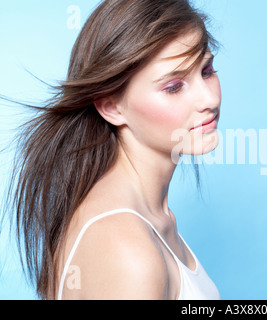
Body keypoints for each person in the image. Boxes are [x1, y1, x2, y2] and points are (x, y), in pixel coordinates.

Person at [5, 0, 221, 300]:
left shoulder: (151, 217)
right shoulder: (127, 248)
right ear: (111, 107)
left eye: (207, 70)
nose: (208, 99)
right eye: (174, 86)